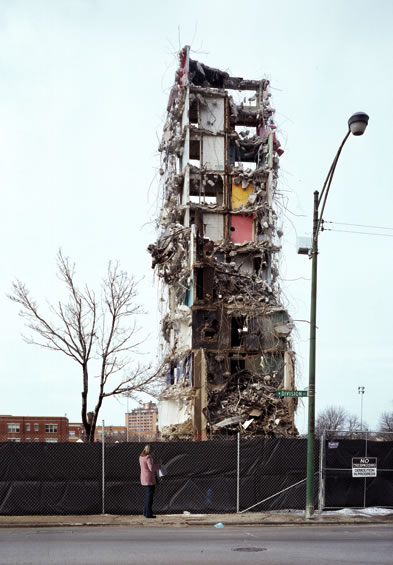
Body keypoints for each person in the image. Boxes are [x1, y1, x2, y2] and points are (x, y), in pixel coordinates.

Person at [139, 444, 161, 518]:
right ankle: (148, 514)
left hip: (143, 478)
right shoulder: (148, 457)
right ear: (150, 451)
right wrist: (159, 466)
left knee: (147, 497)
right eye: (153, 451)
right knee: (149, 498)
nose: (153, 452)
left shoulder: (141, 457)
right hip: (149, 479)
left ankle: (146, 512)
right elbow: (151, 468)